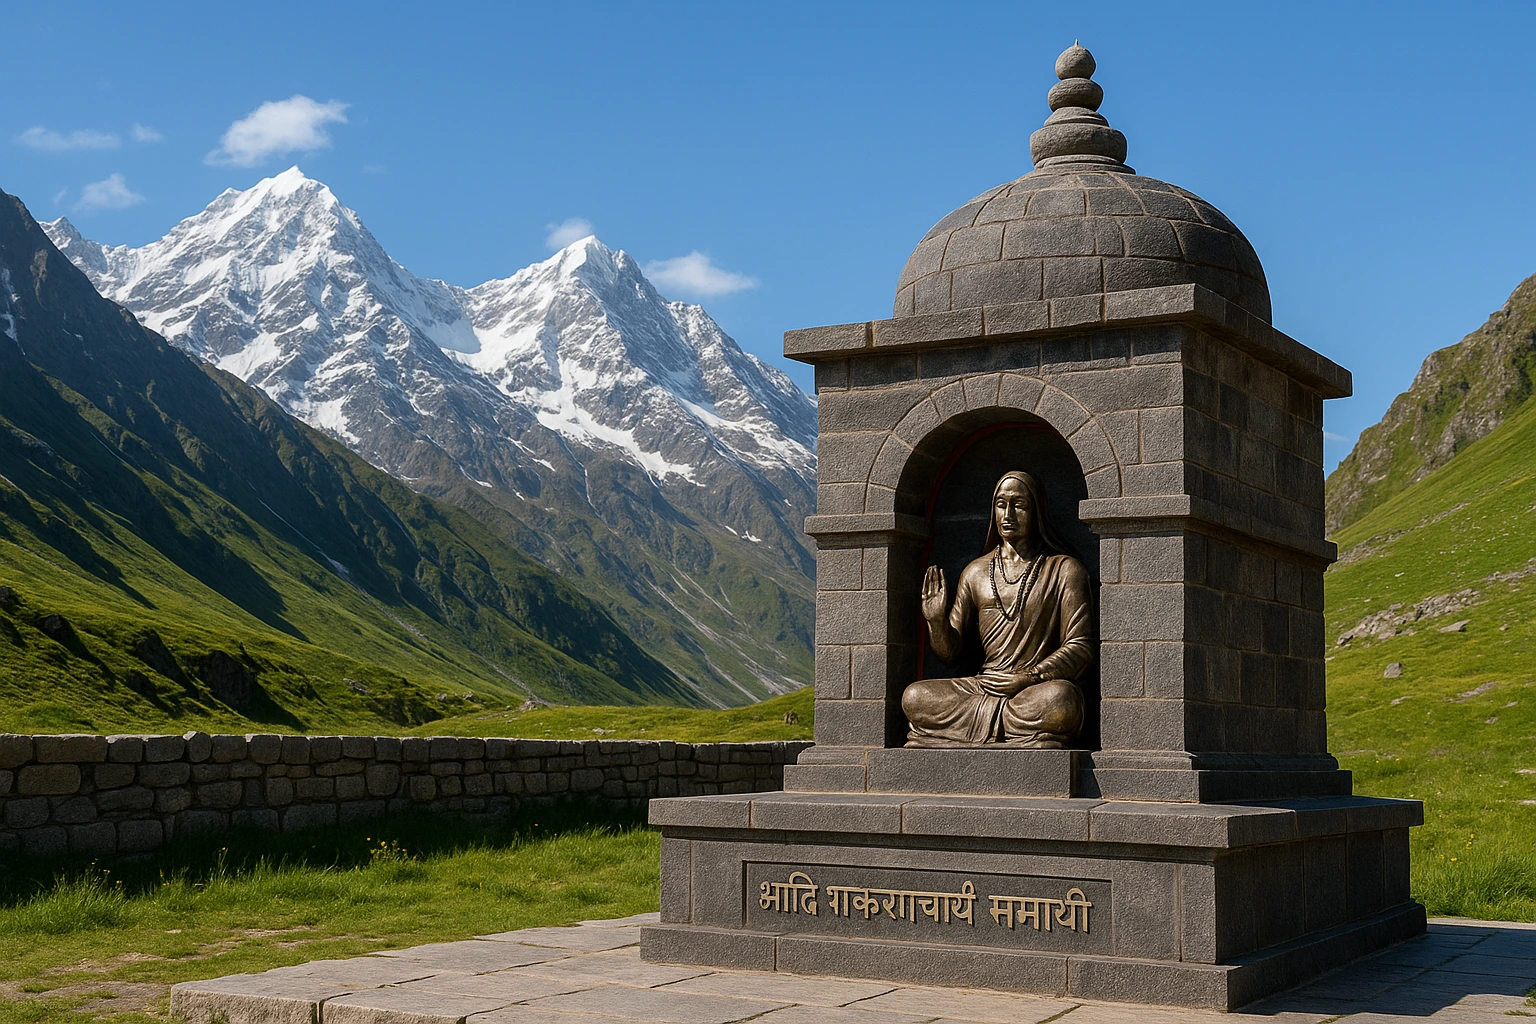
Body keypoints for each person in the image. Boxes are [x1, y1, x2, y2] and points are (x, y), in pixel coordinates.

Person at [902, 471, 1095, 747]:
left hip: (1034, 689)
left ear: (1036, 510)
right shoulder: (976, 572)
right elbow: (950, 653)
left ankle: (959, 735)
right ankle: (1015, 734)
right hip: (985, 686)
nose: (1008, 514)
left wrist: (1029, 677)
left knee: (1062, 700)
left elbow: (1081, 647)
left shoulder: (1064, 570)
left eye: (1019, 505)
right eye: (1001, 504)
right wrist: (935, 621)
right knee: (914, 697)